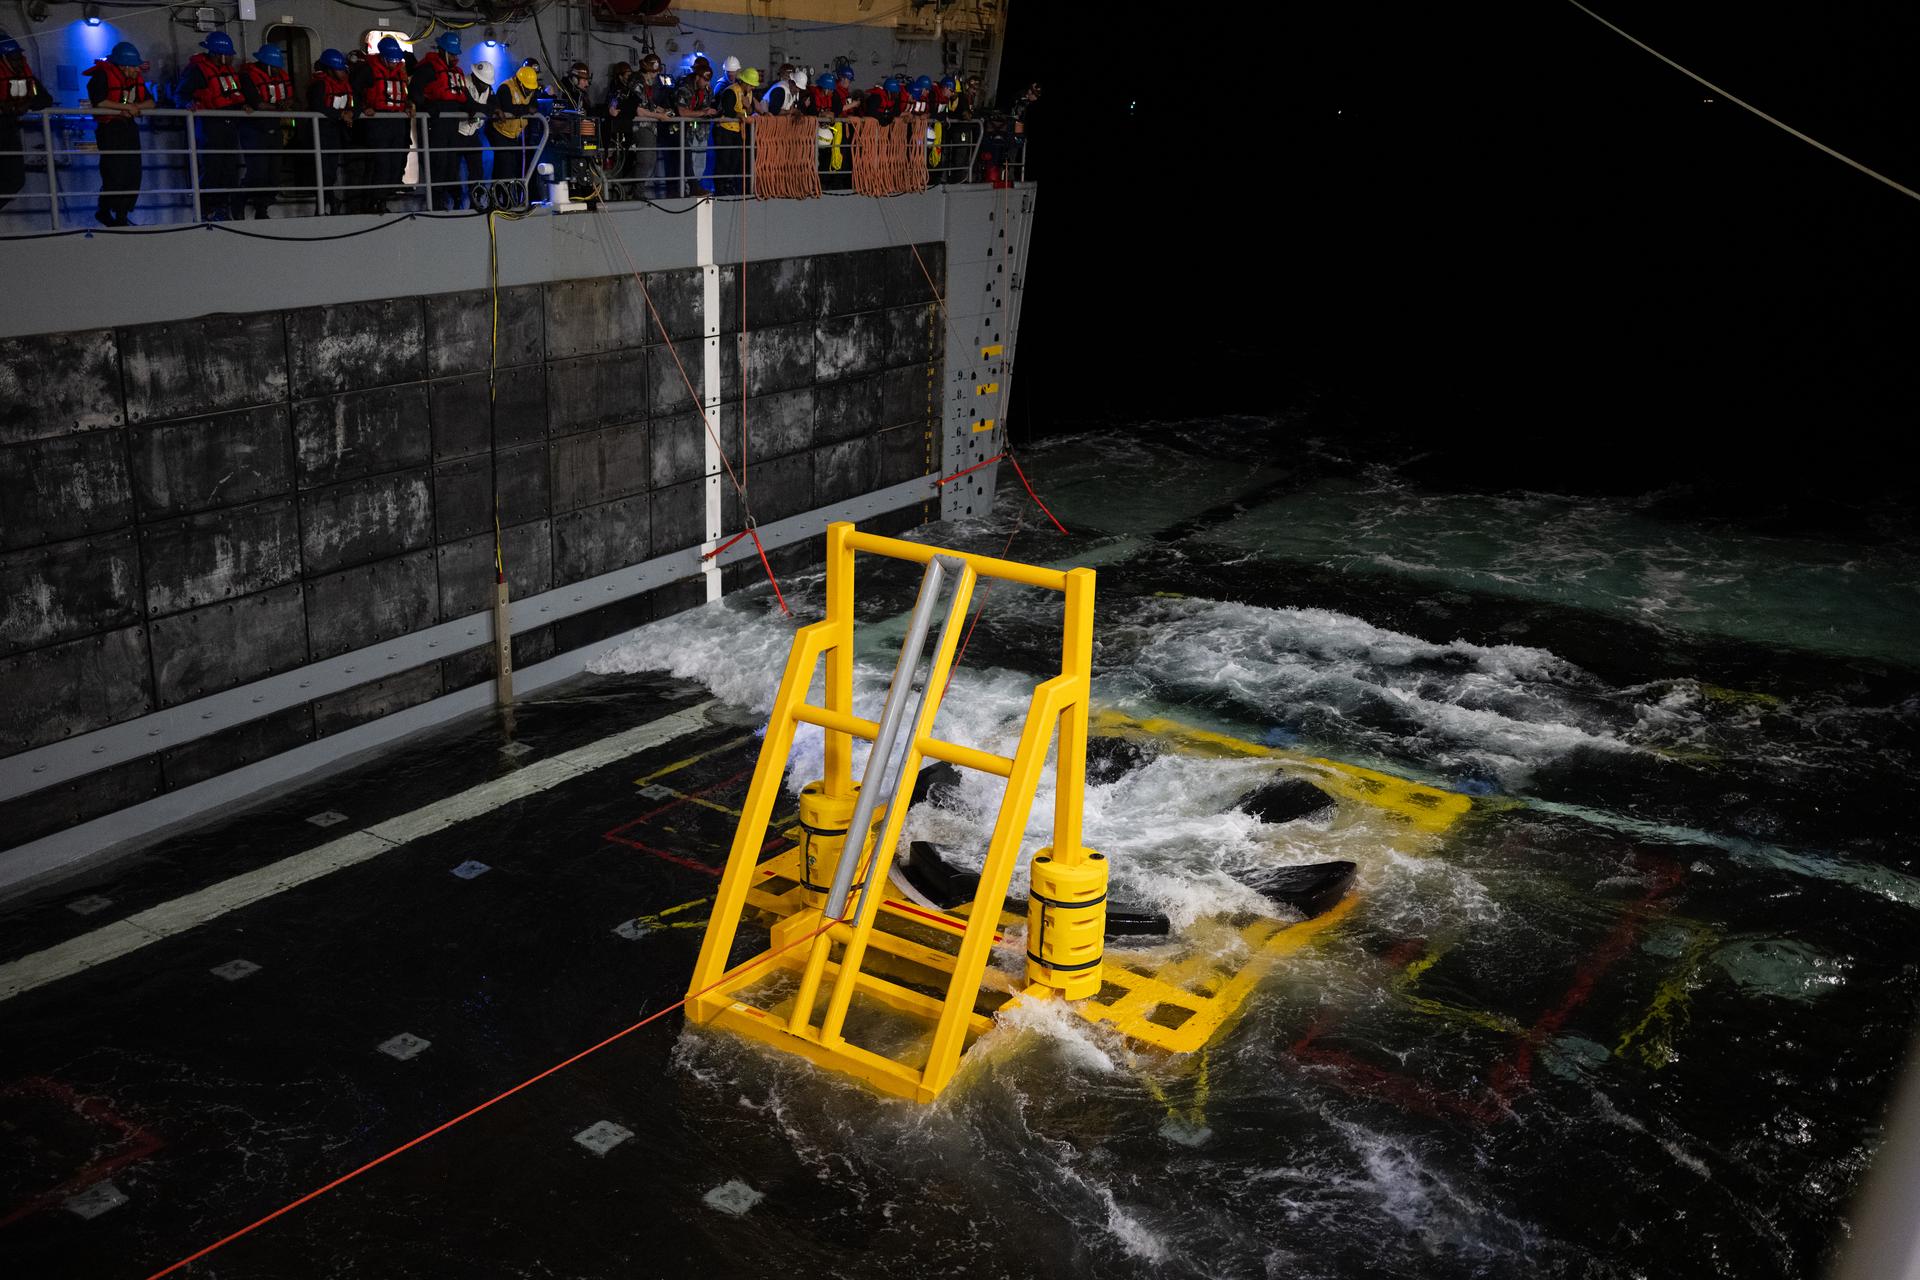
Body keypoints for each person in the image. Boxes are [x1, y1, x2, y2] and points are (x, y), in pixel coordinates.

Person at [180, 32, 247, 220]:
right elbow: (181, 94)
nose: (232, 57)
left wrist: (243, 106)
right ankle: (205, 209)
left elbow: (233, 95)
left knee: (229, 170)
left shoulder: (228, 72)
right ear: (219, 54)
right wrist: (187, 104)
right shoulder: (197, 70)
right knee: (211, 168)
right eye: (229, 54)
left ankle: (222, 208)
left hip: (228, 125)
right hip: (210, 125)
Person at [86, 41, 150, 226]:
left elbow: (150, 102)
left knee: (132, 172)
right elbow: (99, 102)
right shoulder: (101, 76)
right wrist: (124, 107)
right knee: (114, 172)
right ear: (123, 66)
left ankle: (122, 214)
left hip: (128, 128)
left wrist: (134, 107)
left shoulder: (134, 80)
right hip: (110, 130)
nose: (138, 70)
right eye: (134, 67)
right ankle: (105, 211)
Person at [410, 31, 472, 210]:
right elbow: (415, 91)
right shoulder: (428, 68)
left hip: (451, 125)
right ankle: (436, 202)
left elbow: (464, 97)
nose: (455, 58)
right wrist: (427, 105)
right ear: (443, 51)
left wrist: (474, 108)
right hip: (434, 125)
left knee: (452, 163)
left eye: (456, 54)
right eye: (452, 54)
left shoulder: (455, 73)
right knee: (437, 163)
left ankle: (455, 197)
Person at [351, 35, 412, 213]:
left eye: (397, 59)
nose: (395, 63)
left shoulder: (401, 71)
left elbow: (404, 93)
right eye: (392, 59)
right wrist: (363, 108)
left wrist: (408, 105)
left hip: (397, 121)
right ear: (383, 57)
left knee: (396, 162)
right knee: (381, 163)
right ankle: (376, 201)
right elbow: (353, 91)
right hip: (378, 122)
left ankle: (386, 195)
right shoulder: (368, 70)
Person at [1, 32, 52, 214]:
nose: (17, 61)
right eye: (12, 57)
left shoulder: (25, 74)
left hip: (8, 131)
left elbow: (46, 99)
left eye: (18, 56)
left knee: (15, 180)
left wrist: (26, 104)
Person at [238, 44, 290, 218]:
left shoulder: (281, 76)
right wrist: (278, 107)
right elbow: (256, 103)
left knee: (274, 175)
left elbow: (292, 99)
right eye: (275, 67)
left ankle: (263, 208)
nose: (277, 70)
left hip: (274, 129)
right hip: (254, 130)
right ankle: (239, 199)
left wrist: (284, 105)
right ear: (266, 64)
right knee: (257, 173)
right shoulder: (248, 77)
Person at [304, 48, 354, 213]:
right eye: (339, 69)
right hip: (320, 134)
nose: (343, 72)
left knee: (330, 172)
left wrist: (350, 113)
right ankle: (324, 205)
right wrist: (341, 115)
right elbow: (318, 107)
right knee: (322, 172)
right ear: (330, 70)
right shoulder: (319, 85)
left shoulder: (345, 85)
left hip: (335, 134)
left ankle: (329, 203)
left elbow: (353, 104)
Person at [487, 61, 539, 201]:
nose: (530, 91)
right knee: (503, 165)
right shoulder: (506, 88)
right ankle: (499, 199)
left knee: (513, 167)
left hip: (515, 134)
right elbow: (508, 109)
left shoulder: (532, 89)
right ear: (520, 82)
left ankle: (510, 198)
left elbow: (535, 106)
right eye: (527, 88)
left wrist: (526, 109)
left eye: (531, 89)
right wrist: (526, 110)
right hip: (499, 132)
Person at [672, 57, 715, 197]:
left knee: (699, 160)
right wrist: (703, 112)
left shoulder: (706, 90)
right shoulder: (685, 87)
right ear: (697, 76)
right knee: (686, 157)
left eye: (708, 80)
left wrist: (710, 113)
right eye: (705, 79)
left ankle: (695, 186)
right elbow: (682, 112)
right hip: (678, 128)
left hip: (699, 129)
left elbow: (707, 105)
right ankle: (685, 189)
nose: (707, 83)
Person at [712, 65, 757, 195]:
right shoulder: (730, 91)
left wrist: (747, 108)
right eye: (750, 85)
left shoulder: (748, 93)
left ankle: (729, 184)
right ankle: (720, 187)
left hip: (738, 131)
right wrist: (741, 115)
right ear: (743, 82)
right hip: (724, 130)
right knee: (724, 159)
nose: (752, 88)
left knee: (735, 159)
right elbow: (728, 110)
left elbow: (750, 110)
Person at [459, 60, 493, 202]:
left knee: (478, 167)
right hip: (457, 131)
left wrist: (482, 111)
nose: (485, 85)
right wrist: (479, 110)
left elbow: (491, 106)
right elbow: (469, 106)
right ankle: (457, 201)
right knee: (457, 169)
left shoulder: (488, 90)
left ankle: (477, 198)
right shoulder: (463, 83)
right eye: (483, 82)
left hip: (474, 132)